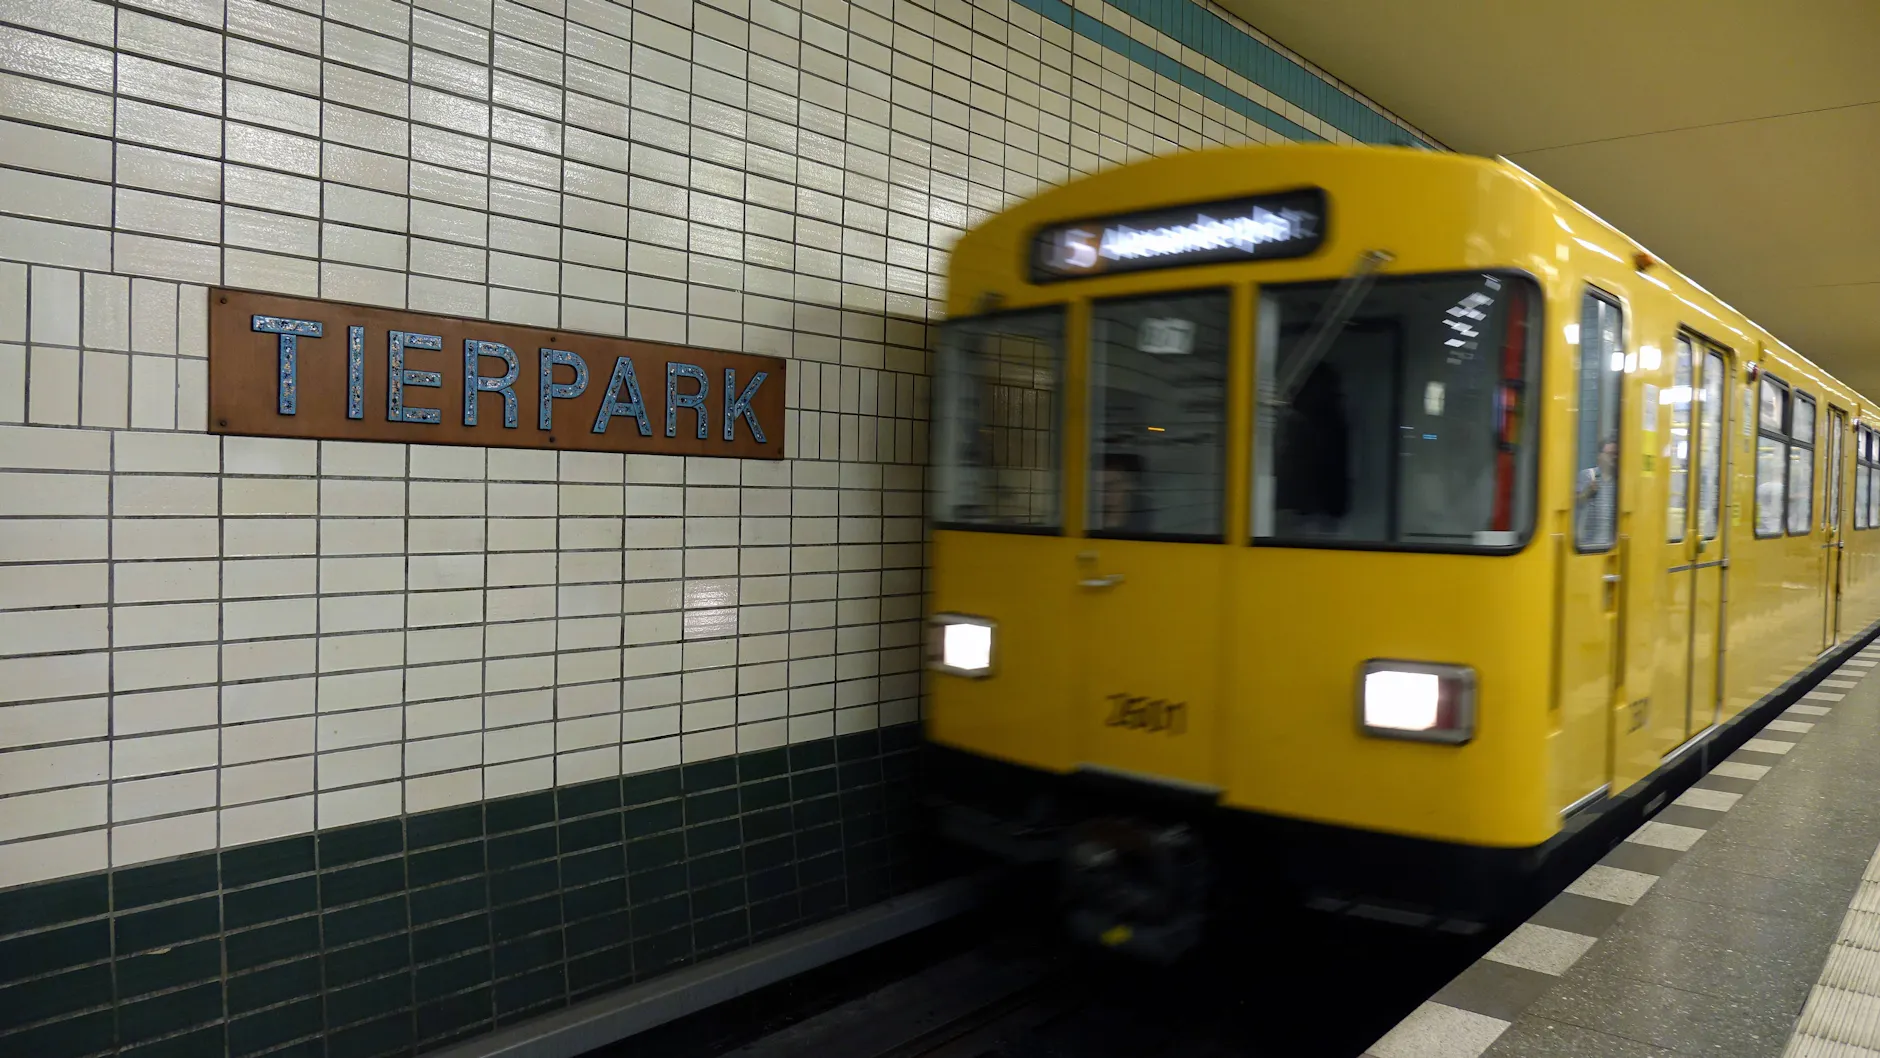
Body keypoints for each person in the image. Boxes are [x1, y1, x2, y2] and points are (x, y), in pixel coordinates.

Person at [1576, 439, 1618, 544]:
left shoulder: (1618, 482)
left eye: (1615, 454)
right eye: (1609, 454)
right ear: (1599, 456)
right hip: (1588, 544)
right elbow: (1573, 504)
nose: (1613, 457)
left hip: (1610, 545)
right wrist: (1587, 492)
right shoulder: (1588, 475)